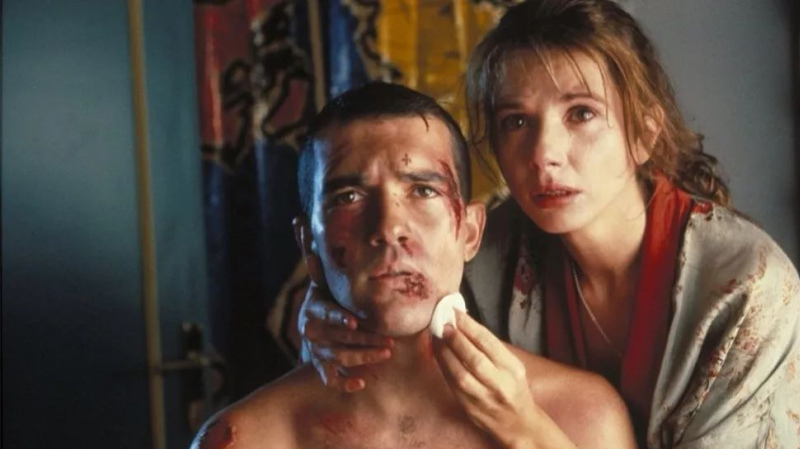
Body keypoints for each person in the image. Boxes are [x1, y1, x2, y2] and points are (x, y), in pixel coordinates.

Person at [298, 0, 800, 447]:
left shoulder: (747, 292)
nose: (544, 154)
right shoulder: (484, 254)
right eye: (516, 122)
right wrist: (324, 313)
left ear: (644, 133)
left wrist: (526, 430)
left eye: (581, 114)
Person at [192, 82, 636, 448]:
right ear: (310, 245)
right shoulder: (244, 439)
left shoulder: (581, 418)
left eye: (423, 191)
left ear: (470, 232)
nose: (389, 228)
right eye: (349, 197)